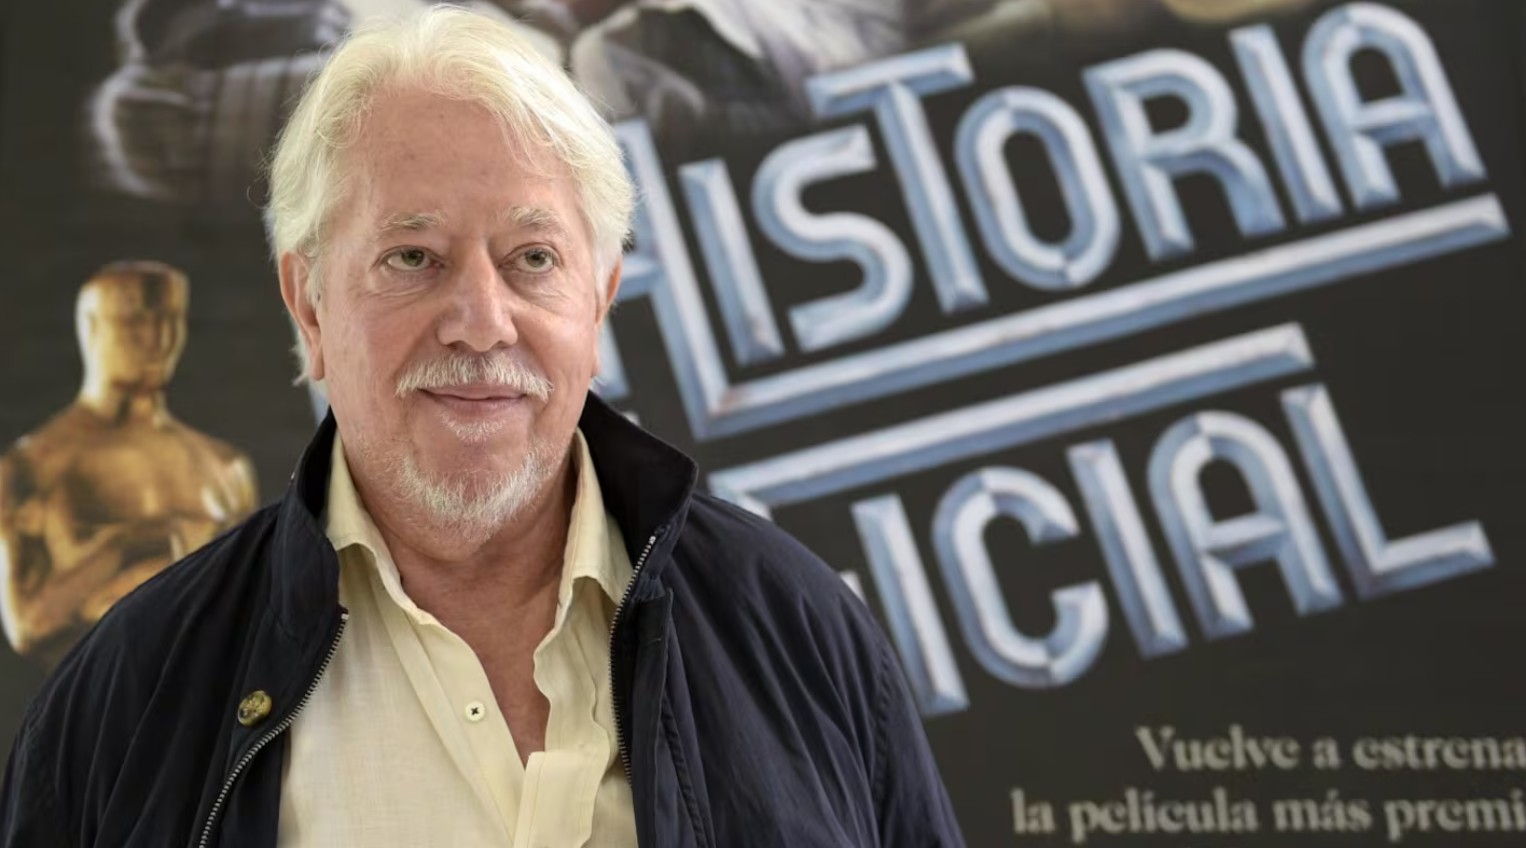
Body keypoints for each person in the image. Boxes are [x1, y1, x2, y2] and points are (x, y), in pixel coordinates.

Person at [0, 7, 965, 846]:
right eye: (413, 256)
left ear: (600, 302)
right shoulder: (127, 699)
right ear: (310, 307)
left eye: (533, 257)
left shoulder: (799, 630)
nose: (480, 321)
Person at [0, 261, 257, 669]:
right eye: (134, 322)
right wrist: (137, 543)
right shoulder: (34, 466)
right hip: (95, 698)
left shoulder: (224, 466)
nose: (158, 340)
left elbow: (252, 612)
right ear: (91, 327)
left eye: (170, 320)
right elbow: (28, 626)